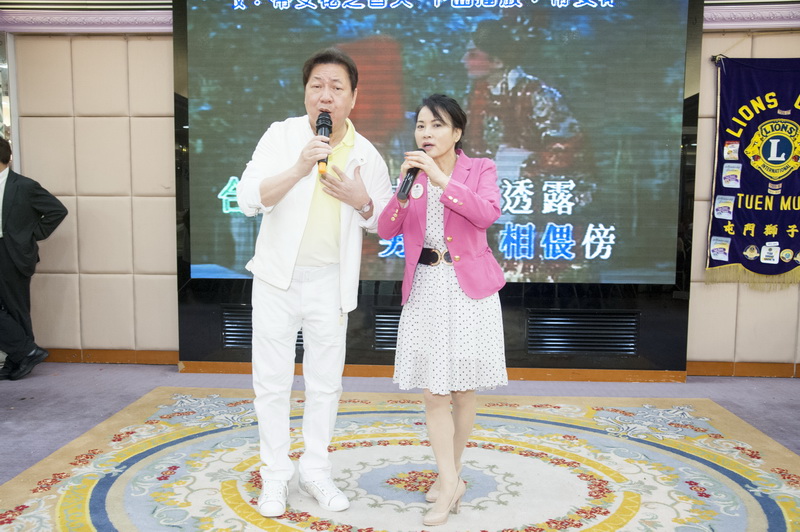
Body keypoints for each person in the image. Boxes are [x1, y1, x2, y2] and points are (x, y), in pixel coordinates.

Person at [236, 47, 393, 517]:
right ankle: (275, 475)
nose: (325, 96)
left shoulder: (366, 153)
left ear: (353, 97)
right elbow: (248, 198)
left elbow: (384, 222)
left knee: (325, 384)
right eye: (317, 86)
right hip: (276, 281)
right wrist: (298, 168)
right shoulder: (281, 136)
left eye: (336, 87)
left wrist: (362, 201)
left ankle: (316, 471)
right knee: (271, 382)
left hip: (330, 281)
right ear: (306, 93)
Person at [377, 94, 507, 527]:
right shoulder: (411, 175)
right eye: (420, 125)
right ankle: (450, 481)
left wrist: (440, 179)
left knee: (464, 391)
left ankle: (451, 474)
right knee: (434, 392)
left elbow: (487, 214)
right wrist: (402, 190)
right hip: (427, 288)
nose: (426, 133)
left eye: (436, 125)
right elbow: (386, 228)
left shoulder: (480, 168)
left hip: (469, 291)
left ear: (456, 132)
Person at [461, 17, 593, 282]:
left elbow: (569, 148)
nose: (464, 60)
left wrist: (521, 166)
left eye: (473, 54)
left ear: (497, 61)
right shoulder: (477, 94)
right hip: (493, 190)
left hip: (537, 188)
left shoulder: (537, 94)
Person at [0, 137, 67, 381]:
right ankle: (25, 352)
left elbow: (57, 211)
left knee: (16, 308)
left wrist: (29, 236)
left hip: (13, 253)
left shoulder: (24, 186)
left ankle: (19, 358)